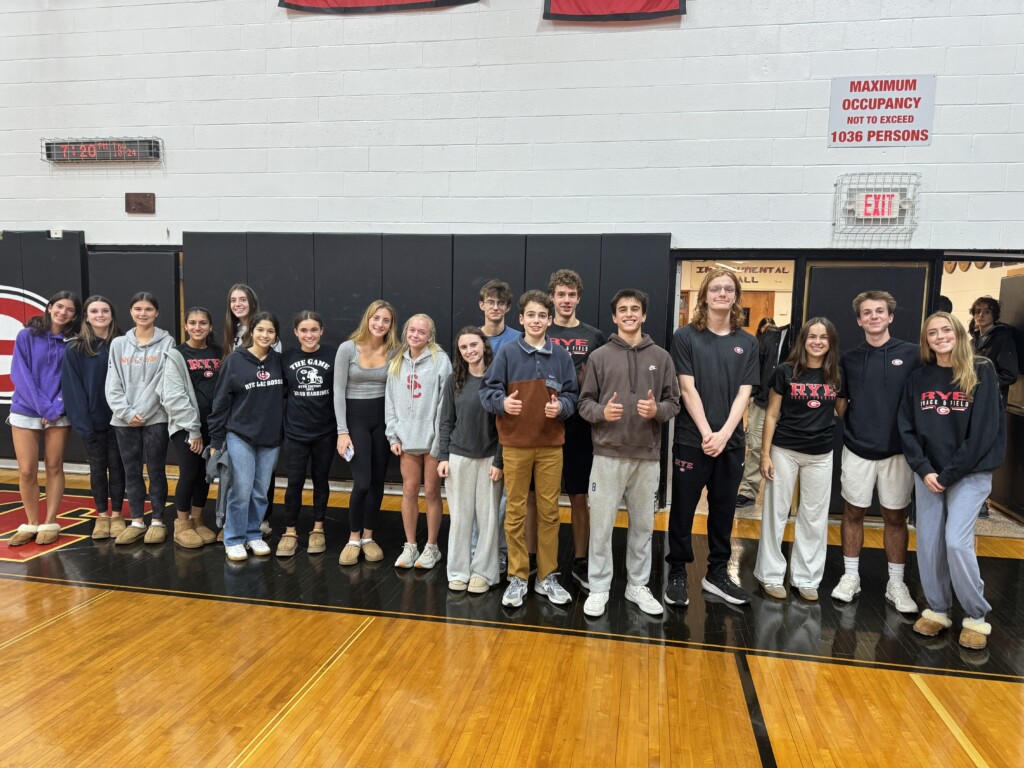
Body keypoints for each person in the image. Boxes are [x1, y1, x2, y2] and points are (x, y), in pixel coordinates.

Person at [899, 313, 1005, 650]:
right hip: (929, 474)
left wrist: (947, 475)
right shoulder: (919, 377)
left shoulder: (981, 370)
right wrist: (924, 469)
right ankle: (938, 609)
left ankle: (976, 615)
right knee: (929, 543)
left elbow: (983, 432)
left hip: (968, 473)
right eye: (933, 332)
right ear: (926, 340)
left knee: (956, 542)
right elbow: (907, 427)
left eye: (946, 330)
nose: (940, 336)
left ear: (959, 333)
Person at [578, 289, 680, 617]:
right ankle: (599, 586)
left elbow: (673, 402)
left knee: (643, 526)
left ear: (644, 315)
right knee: (602, 525)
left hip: (647, 455)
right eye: (623, 309)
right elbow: (583, 403)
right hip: (607, 453)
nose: (629, 314)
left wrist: (657, 410)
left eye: (635, 309)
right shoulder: (599, 356)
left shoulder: (662, 357)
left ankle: (637, 585)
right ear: (614, 317)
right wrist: (601, 414)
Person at [666, 268, 759, 606]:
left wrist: (724, 435)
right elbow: (686, 388)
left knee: (723, 510)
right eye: (716, 288)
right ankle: (677, 571)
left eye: (729, 289)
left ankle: (717, 573)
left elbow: (745, 394)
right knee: (683, 510)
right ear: (705, 295)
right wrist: (708, 433)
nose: (722, 293)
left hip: (730, 443)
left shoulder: (747, 342)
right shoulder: (685, 336)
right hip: (694, 440)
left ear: (736, 296)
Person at [481, 290, 578, 608]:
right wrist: (502, 402)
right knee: (515, 512)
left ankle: (547, 576)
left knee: (550, 513)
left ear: (550, 320)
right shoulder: (508, 354)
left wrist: (561, 408)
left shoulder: (562, 357)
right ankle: (518, 577)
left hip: (551, 447)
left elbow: (573, 397)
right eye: (531, 315)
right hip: (516, 446)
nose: (536, 320)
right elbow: (488, 391)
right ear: (521, 319)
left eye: (542, 315)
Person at [832, 291, 920, 613]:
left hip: (898, 451)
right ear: (859, 320)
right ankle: (850, 576)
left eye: (879, 311)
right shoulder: (849, 358)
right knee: (853, 512)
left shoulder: (912, 354)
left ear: (890, 317)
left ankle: (895, 583)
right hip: (857, 449)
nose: (873, 317)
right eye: (867, 313)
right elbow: (839, 405)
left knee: (895, 518)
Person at [753, 318, 842, 602]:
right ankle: (770, 575)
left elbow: (840, 411)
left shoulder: (836, 375)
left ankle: (806, 579)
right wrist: (765, 454)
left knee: (814, 518)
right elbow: (771, 414)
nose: (817, 342)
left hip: (821, 454)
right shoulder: (785, 371)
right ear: (802, 341)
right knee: (776, 514)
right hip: (784, 451)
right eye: (811, 337)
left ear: (831, 343)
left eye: (823, 337)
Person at [209, 312, 285, 562]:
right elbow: (220, 402)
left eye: (270, 331)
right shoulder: (235, 360)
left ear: (276, 336)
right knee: (240, 489)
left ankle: (253, 534)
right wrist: (216, 439)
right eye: (261, 330)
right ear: (251, 331)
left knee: (260, 491)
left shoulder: (279, 361)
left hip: (270, 438)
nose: (265, 335)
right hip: (240, 435)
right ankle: (233, 538)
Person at [547, 269, 607, 590]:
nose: (566, 300)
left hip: (581, 428)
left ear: (578, 298)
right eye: (561, 294)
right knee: (538, 498)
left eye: (571, 295)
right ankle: (537, 558)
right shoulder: (539, 329)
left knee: (579, 497)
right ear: (552, 297)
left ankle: (581, 561)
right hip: (544, 426)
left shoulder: (594, 336)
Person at [105, 292, 179, 545]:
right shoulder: (118, 344)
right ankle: (137, 520)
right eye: (138, 308)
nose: (143, 313)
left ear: (156, 313)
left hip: (155, 417)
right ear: (131, 312)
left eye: (148, 309)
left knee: (156, 469)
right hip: (123, 420)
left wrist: (144, 412)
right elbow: (112, 383)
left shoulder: (168, 342)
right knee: (131, 471)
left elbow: (163, 379)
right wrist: (127, 413)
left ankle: (157, 520)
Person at [8, 291, 81, 547]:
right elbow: (20, 374)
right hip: (26, 409)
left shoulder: (74, 341)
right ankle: (31, 522)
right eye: (59, 306)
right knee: (27, 470)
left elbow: (72, 378)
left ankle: (50, 522)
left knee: (54, 466)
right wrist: (43, 408)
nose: (63, 312)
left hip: (58, 412)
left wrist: (56, 407)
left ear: (74, 315)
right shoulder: (26, 335)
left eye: (69, 309)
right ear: (50, 307)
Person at [437, 326, 503, 592]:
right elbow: (446, 422)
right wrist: (443, 456)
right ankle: (458, 570)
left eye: (473, 345)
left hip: (489, 459)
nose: (469, 351)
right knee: (461, 518)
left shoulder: (498, 380)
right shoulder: (455, 380)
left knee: (488, 520)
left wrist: (499, 461)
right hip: (458, 458)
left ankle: (483, 574)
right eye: (464, 347)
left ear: (484, 345)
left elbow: (504, 426)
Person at [334, 300, 399, 565]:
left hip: (382, 421)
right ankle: (353, 538)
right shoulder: (347, 349)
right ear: (367, 319)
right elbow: (338, 391)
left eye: (385, 320)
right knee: (362, 482)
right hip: (355, 421)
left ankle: (368, 537)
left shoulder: (394, 351)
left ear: (391, 325)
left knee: (377, 482)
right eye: (376, 318)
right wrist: (342, 431)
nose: (380, 324)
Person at [386, 314, 452, 569]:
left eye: (421, 332)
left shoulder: (440, 360)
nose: (415, 335)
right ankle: (411, 545)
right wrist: (393, 434)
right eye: (411, 330)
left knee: (433, 492)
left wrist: (439, 440)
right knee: (410, 490)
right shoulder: (396, 362)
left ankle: (432, 547)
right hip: (407, 438)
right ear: (406, 332)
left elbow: (444, 404)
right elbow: (389, 402)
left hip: (432, 440)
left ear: (430, 336)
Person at [61, 295, 125, 540]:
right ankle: (102, 515)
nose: (100, 315)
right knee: (98, 469)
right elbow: (73, 389)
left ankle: (117, 514)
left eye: (105, 311)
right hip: (93, 421)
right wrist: (83, 424)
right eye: (94, 311)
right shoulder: (75, 348)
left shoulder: (122, 344)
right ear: (86, 316)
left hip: (120, 420)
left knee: (118, 468)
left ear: (112, 315)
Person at [277, 311, 338, 557]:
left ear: (321, 330)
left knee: (321, 481)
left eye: (314, 330)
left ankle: (318, 528)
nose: (309, 335)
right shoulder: (286, 358)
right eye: (304, 330)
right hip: (295, 431)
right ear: (296, 332)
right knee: (294, 483)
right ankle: (290, 531)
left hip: (325, 431)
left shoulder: (334, 355)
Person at [167, 307, 220, 548]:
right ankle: (182, 525)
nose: (198, 327)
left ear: (210, 326)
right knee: (189, 472)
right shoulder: (176, 354)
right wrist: (193, 429)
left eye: (203, 323)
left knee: (205, 475)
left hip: (213, 425)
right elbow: (173, 395)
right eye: (193, 323)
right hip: (187, 427)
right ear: (185, 326)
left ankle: (198, 521)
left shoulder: (218, 352)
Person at [969, 295, 1018, 519]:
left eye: (986, 311)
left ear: (994, 315)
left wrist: (983, 384)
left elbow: (1009, 374)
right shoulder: (972, 341)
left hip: (991, 402)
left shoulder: (1002, 339)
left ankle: (982, 503)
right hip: (970, 402)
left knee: (986, 451)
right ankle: (972, 499)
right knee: (971, 448)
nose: (980, 315)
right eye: (977, 311)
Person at [736, 316, 778, 509]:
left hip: (786, 404)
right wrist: (752, 393)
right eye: (765, 327)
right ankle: (748, 491)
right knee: (754, 446)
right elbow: (755, 368)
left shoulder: (796, 338)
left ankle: (778, 494)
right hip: (762, 400)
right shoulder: (762, 341)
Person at [479, 279, 520, 354]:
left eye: (501, 303)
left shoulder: (519, 339)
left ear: (508, 307)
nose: (495, 308)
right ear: (482, 305)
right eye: (490, 302)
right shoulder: (471, 339)